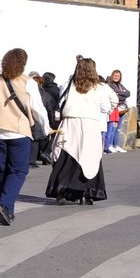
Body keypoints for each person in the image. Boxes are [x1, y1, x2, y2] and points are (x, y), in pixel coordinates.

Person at [0, 49, 47, 226]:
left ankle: (8, 209)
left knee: (2, 171)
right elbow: (37, 108)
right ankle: (4, 204)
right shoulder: (27, 82)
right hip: (18, 131)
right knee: (18, 170)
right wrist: (45, 128)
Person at [46, 58, 113, 205]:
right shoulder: (100, 88)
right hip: (90, 125)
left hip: (70, 124)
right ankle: (86, 193)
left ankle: (62, 189)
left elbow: (61, 102)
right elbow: (106, 108)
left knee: (67, 155)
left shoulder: (68, 85)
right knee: (89, 157)